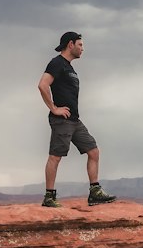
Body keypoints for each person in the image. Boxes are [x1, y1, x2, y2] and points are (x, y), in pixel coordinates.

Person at [37, 31, 116, 207]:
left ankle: (95, 192)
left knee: (93, 151)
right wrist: (54, 108)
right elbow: (42, 85)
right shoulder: (57, 63)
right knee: (55, 157)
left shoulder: (69, 67)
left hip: (74, 120)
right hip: (62, 120)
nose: (82, 49)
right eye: (80, 45)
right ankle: (49, 197)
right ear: (70, 44)